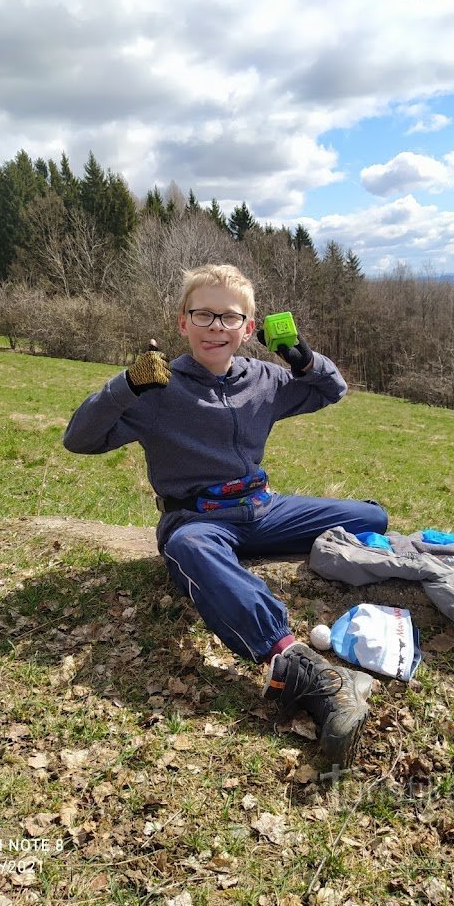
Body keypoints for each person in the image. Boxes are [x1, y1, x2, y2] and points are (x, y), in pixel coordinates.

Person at [63, 263, 388, 768]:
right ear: (182, 323)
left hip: (262, 509)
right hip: (198, 519)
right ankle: (296, 664)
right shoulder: (157, 389)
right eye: (204, 315)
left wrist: (302, 360)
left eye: (229, 317)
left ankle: (252, 566)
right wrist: (126, 385)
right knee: (189, 549)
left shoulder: (265, 379)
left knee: (371, 517)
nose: (216, 326)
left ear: (248, 328)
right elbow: (79, 440)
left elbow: (332, 390)